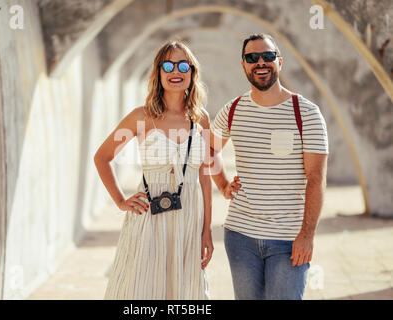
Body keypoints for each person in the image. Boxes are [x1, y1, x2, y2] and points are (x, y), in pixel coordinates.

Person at [209, 33, 329, 300]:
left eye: (268, 56)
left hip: (288, 238)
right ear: (243, 65)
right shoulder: (233, 110)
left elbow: (316, 178)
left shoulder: (306, 113)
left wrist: (307, 235)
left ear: (280, 61)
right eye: (252, 58)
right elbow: (208, 150)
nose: (260, 62)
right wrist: (223, 184)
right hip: (240, 236)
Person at [94, 40, 213, 300]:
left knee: (185, 293)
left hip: (189, 219)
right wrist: (120, 201)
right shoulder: (141, 117)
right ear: (158, 72)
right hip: (148, 214)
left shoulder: (200, 118)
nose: (175, 72)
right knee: (141, 289)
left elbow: (205, 176)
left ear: (192, 73)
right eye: (167, 65)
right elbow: (102, 157)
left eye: (183, 65)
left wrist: (207, 231)